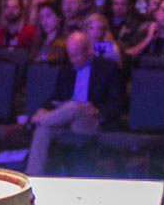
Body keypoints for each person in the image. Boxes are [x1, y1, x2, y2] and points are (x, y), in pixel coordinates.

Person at [25, 28, 124, 176]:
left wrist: (97, 110)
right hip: (64, 119)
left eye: (78, 55)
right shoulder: (66, 70)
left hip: (90, 120)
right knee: (42, 131)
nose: (74, 60)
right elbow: (55, 97)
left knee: (73, 106)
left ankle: (34, 121)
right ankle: (32, 177)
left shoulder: (107, 68)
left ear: (89, 50)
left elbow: (119, 102)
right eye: (71, 56)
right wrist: (43, 109)